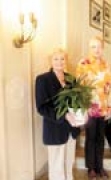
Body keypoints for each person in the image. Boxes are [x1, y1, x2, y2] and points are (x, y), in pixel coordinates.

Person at [35, 49, 81, 180]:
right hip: (54, 129)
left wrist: (81, 113)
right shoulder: (42, 79)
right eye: (56, 59)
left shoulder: (71, 79)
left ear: (66, 61)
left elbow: (76, 102)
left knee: (68, 164)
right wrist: (64, 115)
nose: (59, 62)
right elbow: (41, 107)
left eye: (62, 59)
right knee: (56, 167)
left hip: (71, 129)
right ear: (50, 61)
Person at [76, 36, 111, 180]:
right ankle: (91, 168)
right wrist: (83, 108)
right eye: (93, 47)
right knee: (90, 138)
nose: (96, 50)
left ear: (102, 48)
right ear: (89, 48)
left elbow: (109, 87)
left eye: (98, 46)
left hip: (103, 108)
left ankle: (100, 166)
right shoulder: (83, 64)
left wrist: (110, 107)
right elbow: (79, 87)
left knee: (100, 139)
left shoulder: (106, 65)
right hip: (90, 108)